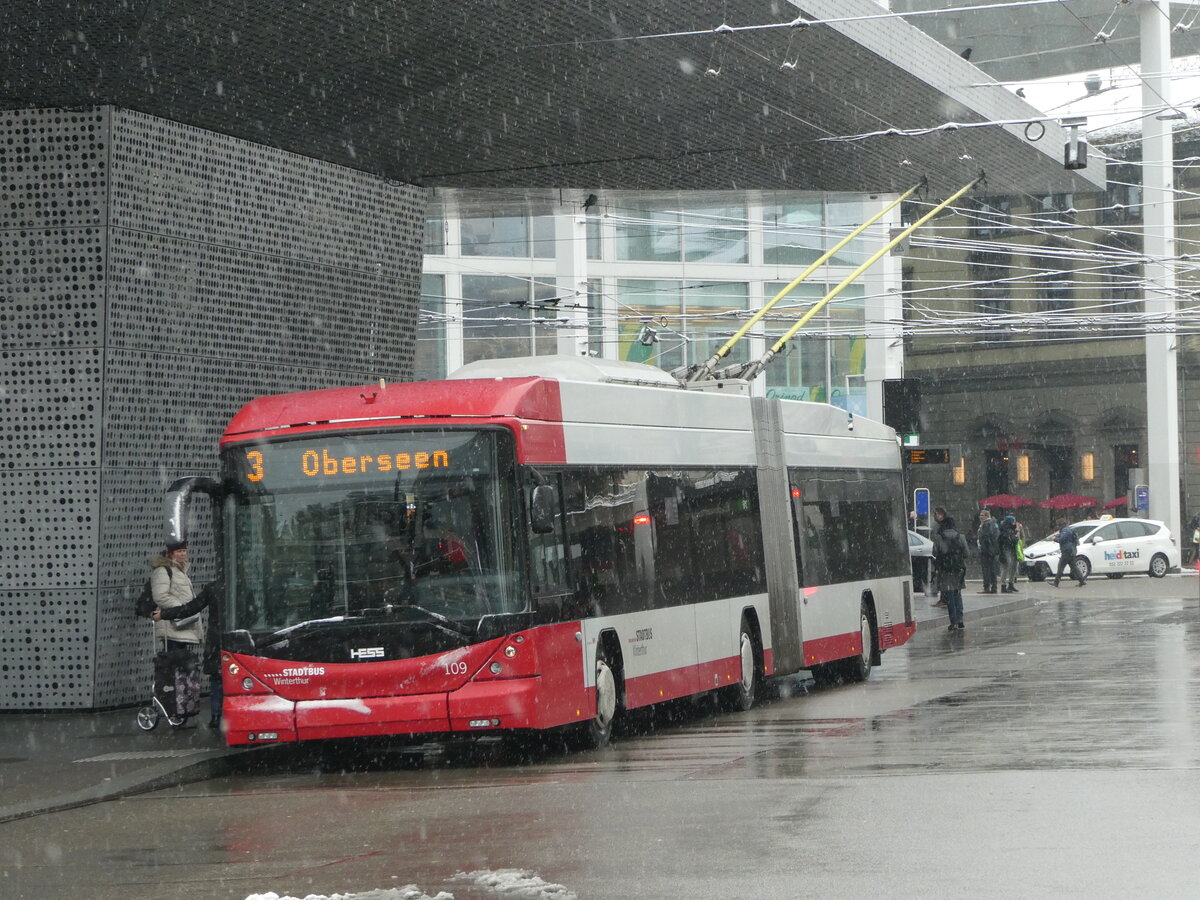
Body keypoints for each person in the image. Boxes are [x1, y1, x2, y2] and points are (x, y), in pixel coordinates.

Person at [149, 540, 205, 722]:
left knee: (181, 668)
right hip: (172, 628)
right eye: (179, 551)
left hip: (182, 627)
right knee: (173, 666)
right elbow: (161, 596)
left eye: (184, 551)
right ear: (170, 554)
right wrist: (181, 609)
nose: (183, 554)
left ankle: (179, 703)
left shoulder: (180, 571)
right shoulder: (163, 571)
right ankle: (173, 703)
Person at [933, 513, 969, 631]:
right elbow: (966, 554)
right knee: (957, 594)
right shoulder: (960, 537)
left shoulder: (939, 537)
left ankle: (953, 621)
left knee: (949, 595)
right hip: (958, 569)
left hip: (945, 570)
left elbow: (935, 553)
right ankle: (960, 619)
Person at [1052, 517, 1087, 587]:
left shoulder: (1065, 530)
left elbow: (1062, 539)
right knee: (1073, 567)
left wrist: (1055, 539)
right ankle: (1082, 580)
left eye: (1057, 525)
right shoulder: (1067, 529)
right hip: (1071, 550)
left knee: (1061, 566)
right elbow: (1063, 537)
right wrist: (1057, 536)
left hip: (1067, 551)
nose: (1057, 527)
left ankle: (1056, 582)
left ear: (1060, 525)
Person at [976, 509, 1000, 594]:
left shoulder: (987, 524)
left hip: (987, 550)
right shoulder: (994, 524)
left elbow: (987, 536)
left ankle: (987, 587)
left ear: (986, 515)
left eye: (982, 515)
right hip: (992, 550)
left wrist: (984, 546)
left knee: (986, 569)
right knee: (992, 569)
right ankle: (994, 587)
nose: (980, 517)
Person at [997, 514, 1021, 593]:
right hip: (1006, 551)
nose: (1014, 523)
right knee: (1006, 567)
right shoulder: (1005, 530)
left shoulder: (1012, 529)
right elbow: (1012, 540)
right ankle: (1003, 586)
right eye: (1013, 521)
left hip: (1013, 551)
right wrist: (1016, 532)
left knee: (1014, 567)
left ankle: (1011, 584)